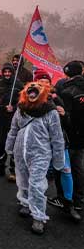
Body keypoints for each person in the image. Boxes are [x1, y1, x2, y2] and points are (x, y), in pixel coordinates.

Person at [6, 81, 66, 234]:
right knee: (23, 180)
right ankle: (25, 203)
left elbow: (57, 137)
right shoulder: (21, 109)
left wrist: (59, 160)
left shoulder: (50, 112)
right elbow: (13, 129)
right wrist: (9, 147)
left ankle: (38, 217)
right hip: (21, 152)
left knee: (37, 184)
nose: (33, 92)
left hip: (40, 154)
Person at [35, 70, 80, 222]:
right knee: (38, 174)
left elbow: (68, 123)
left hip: (60, 142)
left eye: (46, 82)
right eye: (41, 83)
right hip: (39, 144)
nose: (44, 85)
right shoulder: (29, 100)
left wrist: (64, 115)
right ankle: (31, 203)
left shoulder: (57, 99)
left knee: (66, 171)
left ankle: (68, 203)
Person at [0, 63, 23, 181]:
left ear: (13, 72)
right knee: (1, 143)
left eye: (9, 72)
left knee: (14, 144)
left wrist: (14, 107)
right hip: (1, 118)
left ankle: (14, 171)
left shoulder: (18, 85)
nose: (7, 74)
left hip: (15, 119)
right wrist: (2, 109)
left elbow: (24, 101)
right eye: (5, 72)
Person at [59, 61, 84, 213]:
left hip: (70, 136)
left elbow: (67, 117)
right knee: (78, 167)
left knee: (66, 168)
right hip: (82, 135)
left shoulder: (67, 92)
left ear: (67, 73)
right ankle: (79, 199)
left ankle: (66, 198)